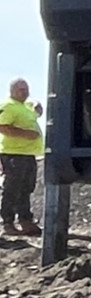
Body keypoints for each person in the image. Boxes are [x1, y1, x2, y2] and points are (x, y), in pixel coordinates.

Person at [1, 78, 43, 236]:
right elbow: (2, 126)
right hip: (13, 154)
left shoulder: (24, 107)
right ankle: (7, 223)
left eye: (26, 89)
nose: (25, 92)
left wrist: (38, 107)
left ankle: (25, 221)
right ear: (12, 91)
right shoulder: (8, 106)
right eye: (21, 90)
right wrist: (26, 134)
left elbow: (34, 114)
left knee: (26, 189)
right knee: (12, 189)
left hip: (28, 154)